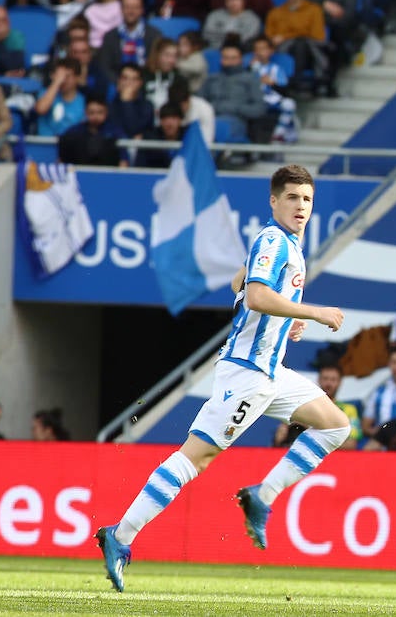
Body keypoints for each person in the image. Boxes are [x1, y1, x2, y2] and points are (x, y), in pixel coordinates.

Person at [95, 165, 347, 592]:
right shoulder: (273, 239)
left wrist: (286, 322)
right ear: (273, 201)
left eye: (306, 199)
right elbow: (255, 294)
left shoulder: (284, 244)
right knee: (197, 458)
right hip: (248, 374)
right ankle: (120, 536)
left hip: (271, 372)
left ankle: (261, 497)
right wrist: (313, 312)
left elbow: (240, 281)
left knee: (336, 425)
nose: (300, 206)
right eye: (291, 198)